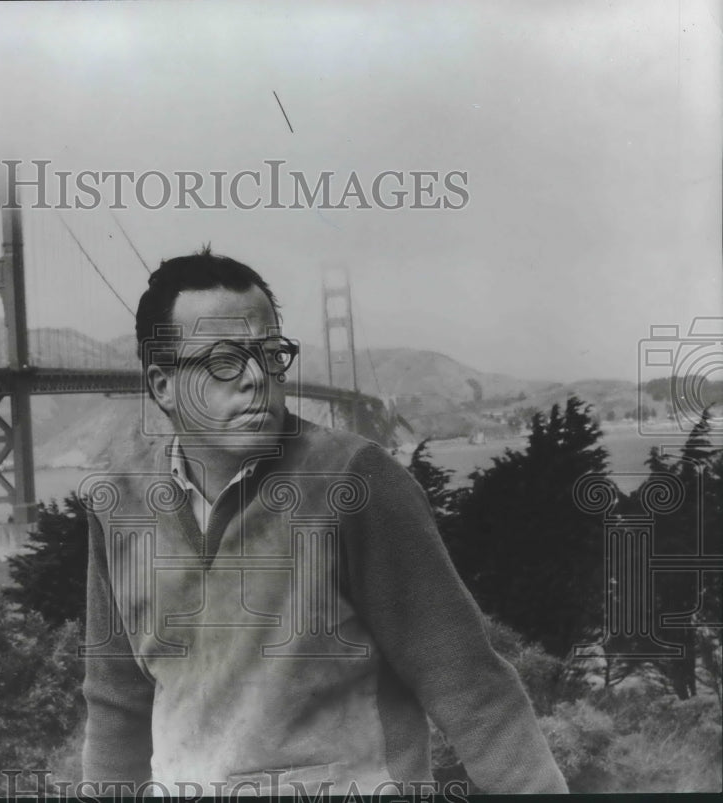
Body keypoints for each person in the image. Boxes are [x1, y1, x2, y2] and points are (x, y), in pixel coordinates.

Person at [80, 248, 568, 796]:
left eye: (270, 354)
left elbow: (470, 686)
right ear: (162, 385)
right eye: (223, 361)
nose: (257, 379)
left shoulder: (356, 481)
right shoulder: (119, 502)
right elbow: (116, 705)